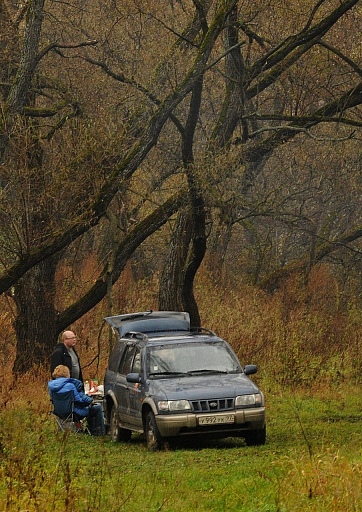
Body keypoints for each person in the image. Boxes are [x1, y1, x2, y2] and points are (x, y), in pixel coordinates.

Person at [49, 365, 105, 436]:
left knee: (91, 408)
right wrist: (89, 401)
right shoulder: (70, 386)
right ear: (67, 374)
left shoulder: (51, 387)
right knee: (97, 407)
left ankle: (91, 429)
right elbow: (79, 401)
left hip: (59, 412)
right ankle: (99, 432)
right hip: (73, 412)